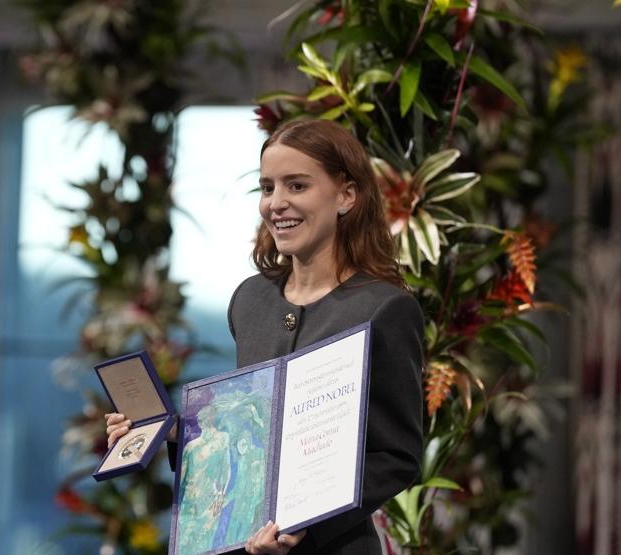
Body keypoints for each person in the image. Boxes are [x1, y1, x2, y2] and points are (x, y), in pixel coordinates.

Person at [106, 119, 424, 554]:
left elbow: (396, 456)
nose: (276, 203)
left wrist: (307, 524)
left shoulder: (384, 309)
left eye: (297, 186)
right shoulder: (250, 299)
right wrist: (176, 434)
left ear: (347, 195)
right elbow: (251, 432)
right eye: (267, 187)